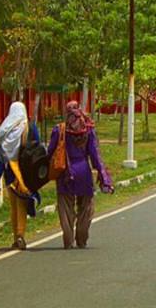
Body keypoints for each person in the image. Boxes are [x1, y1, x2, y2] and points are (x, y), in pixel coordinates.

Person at [47, 101, 113, 249]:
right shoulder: (88, 129)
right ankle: (82, 238)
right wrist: (103, 176)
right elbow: (95, 155)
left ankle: (68, 239)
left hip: (65, 173)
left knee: (65, 207)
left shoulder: (59, 129)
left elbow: (50, 151)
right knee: (87, 206)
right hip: (83, 171)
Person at [0, 101, 41, 250]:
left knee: (14, 206)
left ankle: (16, 237)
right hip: (24, 173)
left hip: (9, 173)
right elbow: (37, 148)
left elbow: (0, 155)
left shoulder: (4, 130)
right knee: (21, 205)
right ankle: (20, 235)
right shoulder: (29, 128)